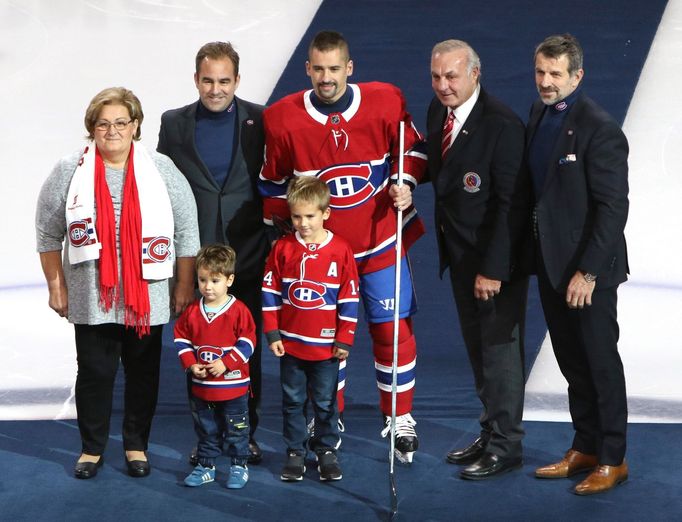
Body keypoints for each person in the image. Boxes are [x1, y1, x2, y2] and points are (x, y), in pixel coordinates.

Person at [258, 30, 426, 464]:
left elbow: (414, 152)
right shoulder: (282, 118)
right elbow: (272, 185)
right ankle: (326, 417)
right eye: (319, 69)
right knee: (322, 341)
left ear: (349, 69)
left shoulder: (386, 100)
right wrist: (288, 239)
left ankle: (399, 416)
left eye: (335, 69)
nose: (326, 78)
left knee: (392, 331)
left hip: (379, 243)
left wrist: (404, 182)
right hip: (322, 256)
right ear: (307, 69)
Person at [35, 87, 199, 479]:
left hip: (148, 290)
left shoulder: (160, 169)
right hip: (92, 292)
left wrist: (182, 285)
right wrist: (57, 286)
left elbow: (187, 230)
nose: (112, 131)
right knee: (95, 371)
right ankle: (91, 448)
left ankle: (135, 444)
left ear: (135, 126)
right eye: (103, 123)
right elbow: (47, 232)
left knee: (143, 372)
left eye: (120, 123)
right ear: (92, 128)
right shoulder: (69, 170)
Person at [526, 34, 629, 495]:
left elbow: (613, 208)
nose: (546, 83)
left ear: (577, 76)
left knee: (600, 362)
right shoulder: (539, 115)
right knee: (572, 362)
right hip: (552, 266)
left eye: (555, 75)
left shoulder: (600, 128)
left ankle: (612, 458)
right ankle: (585, 445)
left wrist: (587, 271)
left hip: (589, 273)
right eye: (540, 73)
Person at [157, 41, 269, 464]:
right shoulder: (174, 123)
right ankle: (206, 436)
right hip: (198, 259)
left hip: (250, 254)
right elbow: (165, 186)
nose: (216, 88)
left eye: (224, 80)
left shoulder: (260, 119)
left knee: (246, 345)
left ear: (237, 80)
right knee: (199, 344)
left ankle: (245, 434)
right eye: (208, 80)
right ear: (196, 79)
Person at [425, 40, 530, 480]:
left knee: (500, 353)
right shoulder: (438, 114)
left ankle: (507, 444)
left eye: (452, 76)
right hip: (461, 255)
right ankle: (490, 430)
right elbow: (442, 174)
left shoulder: (502, 126)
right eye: (436, 77)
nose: (443, 86)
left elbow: (512, 205)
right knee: (477, 350)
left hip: (493, 263)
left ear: (475, 74)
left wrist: (493, 270)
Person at [262, 176, 359, 481]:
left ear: (326, 213)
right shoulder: (283, 249)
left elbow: (349, 297)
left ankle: (327, 449)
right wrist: (273, 333)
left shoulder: (341, 250)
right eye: (296, 216)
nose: (302, 223)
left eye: (310, 216)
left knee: (326, 401)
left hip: (326, 347)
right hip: (291, 345)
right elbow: (270, 293)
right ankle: (295, 452)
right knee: (292, 401)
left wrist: (344, 338)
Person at [174, 244, 256, 489]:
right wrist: (190, 364)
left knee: (237, 429)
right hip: (203, 388)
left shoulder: (239, 311)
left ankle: (239, 465)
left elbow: (249, 342)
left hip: (234, 388)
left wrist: (226, 363)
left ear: (229, 280)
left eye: (215, 280)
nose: (207, 286)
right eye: (202, 280)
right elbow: (181, 338)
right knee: (206, 429)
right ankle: (206, 465)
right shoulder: (192, 312)